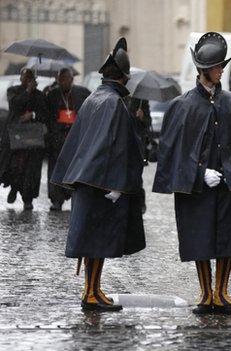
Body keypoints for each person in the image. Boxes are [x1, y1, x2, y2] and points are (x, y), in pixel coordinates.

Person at [153, 32, 231, 315]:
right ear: (204, 70)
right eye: (217, 67)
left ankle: (222, 293)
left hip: (227, 185)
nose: (222, 71)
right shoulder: (183, 106)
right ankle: (206, 294)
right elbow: (172, 151)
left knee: (228, 238)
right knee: (200, 238)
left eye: (222, 66)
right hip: (198, 187)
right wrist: (200, 172)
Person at [51, 38, 146, 311]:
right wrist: (115, 184)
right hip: (101, 184)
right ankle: (91, 293)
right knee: (97, 241)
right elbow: (110, 146)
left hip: (90, 181)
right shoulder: (112, 102)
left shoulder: (95, 97)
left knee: (93, 241)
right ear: (123, 77)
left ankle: (93, 289)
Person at [0, 68, 48, 210]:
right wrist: (27, 91)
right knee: (15, 167)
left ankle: (28, 198)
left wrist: (32, 115)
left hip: (33, 139)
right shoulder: (13, 91)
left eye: (30, 78)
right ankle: (14, 188)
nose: (27, 80)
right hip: (16, 138)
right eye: (25, 77)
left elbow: (44, 114)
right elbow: (15, 105)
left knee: (30, 170)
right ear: (21, 78)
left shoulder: (39, 95)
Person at [46, 67, 90, 211]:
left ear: (71, 79)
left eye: (65, 79)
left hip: (76, 138)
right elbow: (47, 116)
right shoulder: (52, 94)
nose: (62, 82)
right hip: (58, 138)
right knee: (55, 169)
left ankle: (76, 197)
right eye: (60, 79)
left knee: (76, 170)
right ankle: (56, 199)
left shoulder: (82, 93)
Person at [126, 96, 152, 213]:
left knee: (137, 175)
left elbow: (148, 123)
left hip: (137, 143)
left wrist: (142, 117)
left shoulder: (142, 100)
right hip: (124, 141)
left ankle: (139, 203)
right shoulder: (120, 98)